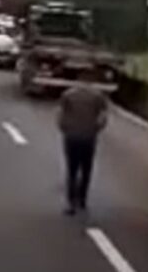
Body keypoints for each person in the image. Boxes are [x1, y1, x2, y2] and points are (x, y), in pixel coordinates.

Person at [57, 82, 108, 214]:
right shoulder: (98, 96)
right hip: (88, 138)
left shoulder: (67, 95)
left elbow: (60, 116)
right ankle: (82, 199)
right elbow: (103, 118)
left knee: (72, 170)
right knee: (86, 169)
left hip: (71, 137)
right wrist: (95, 130)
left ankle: (71, 202)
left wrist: (66, 129)